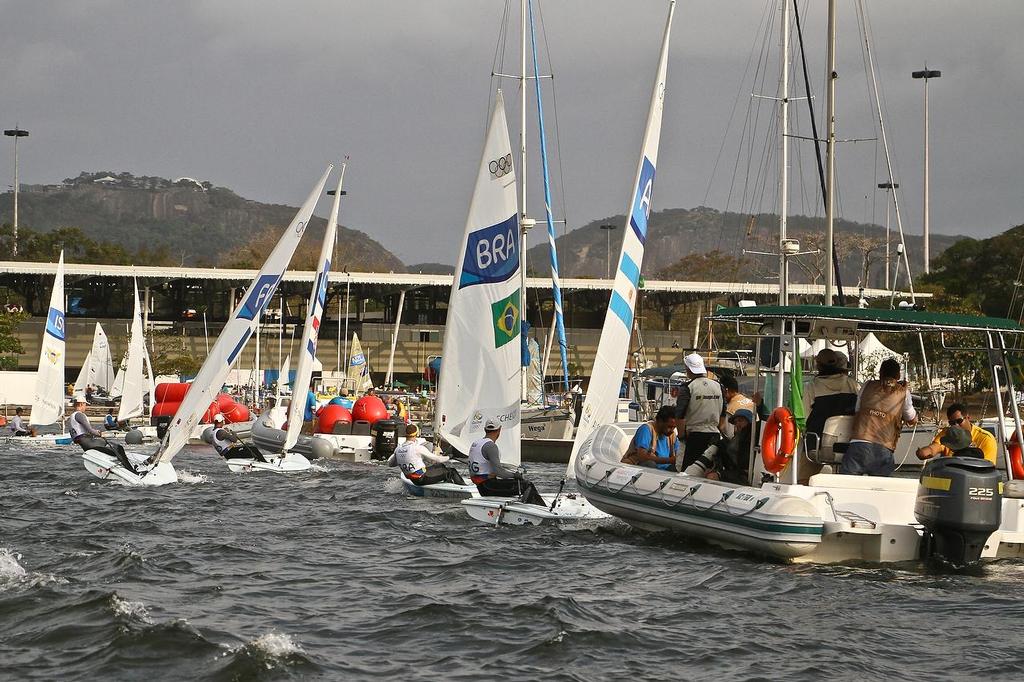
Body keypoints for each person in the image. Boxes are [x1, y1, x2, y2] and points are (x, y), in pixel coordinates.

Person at [839, 358, 917, 476]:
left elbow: (857, 410)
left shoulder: (867, 385)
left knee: (847, 486)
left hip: (858, 444)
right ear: (898, 375)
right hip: (883, 449)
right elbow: (911, 418)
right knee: (879, 490)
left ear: (880, 373)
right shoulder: (903, 392)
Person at [468, 418, 546, 506]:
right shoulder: (491, 446)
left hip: (481, 487)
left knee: (517, 484)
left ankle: (525, 506)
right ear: (499, 430)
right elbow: (499, 472)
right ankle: (543, 510)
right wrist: (515, 475)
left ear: (485, 429)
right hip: (489, 487)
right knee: (527, 485)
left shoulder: (476, 443)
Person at [674, 353, 725, 470]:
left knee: (686, 470)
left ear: (688, 369)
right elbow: (723, 413)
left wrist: (682, 437)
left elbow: (680, 414)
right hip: (714, 434)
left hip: (694, 435)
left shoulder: (687, 387)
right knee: (709, 469)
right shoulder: (718, 386)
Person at [685, 408, 755, 485]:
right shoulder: (735, 439)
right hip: (735, 472)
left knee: (712, 477)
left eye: (740, 420)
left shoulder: (752, 436)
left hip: (746, 475)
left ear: (750, 422)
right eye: (736, 422)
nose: (737, 424)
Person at [916, 403, 997, 465]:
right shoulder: (949, 433)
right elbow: (934, 447)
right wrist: (924, 452)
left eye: (959, 421)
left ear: (968, 418)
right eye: (952, 423)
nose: (956, 425)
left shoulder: (986, 438)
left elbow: (988, 467)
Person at [68, 397, 135, 470]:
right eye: (85, 405)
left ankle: (122, 466)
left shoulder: (72, 416)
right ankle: (130, 469)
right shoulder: (79, 415)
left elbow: (82, 432)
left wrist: (95, 432)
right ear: (81, 404)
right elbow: (90, 431)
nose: (86, 407)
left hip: (85, 444)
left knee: (111, 446)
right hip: (89, 443)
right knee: (119, 448)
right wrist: (98, 433)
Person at [388, 424, 466, 485]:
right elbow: (438, 459)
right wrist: (450, 456)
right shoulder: (418, 447)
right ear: (417, 434)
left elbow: (390, 464)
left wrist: (403, 459)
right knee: (451, 471)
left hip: (413, 479)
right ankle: (463, 487)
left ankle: (448, 483)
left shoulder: (398, 449)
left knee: (440, 466)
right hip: (422, 479)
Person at [620, 405, 679, 470]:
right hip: (640, 469)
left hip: (664, 471)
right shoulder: (646, 430)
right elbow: (642, 457)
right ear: (660, 421)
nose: (672, 430)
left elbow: (678, 456)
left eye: (674, 427)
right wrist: (669, 460)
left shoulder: (672, 436)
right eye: (669, 427)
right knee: (650, 464)